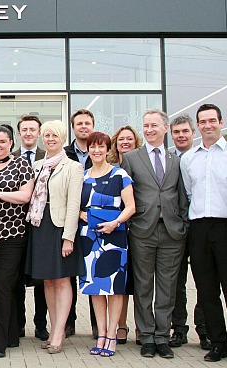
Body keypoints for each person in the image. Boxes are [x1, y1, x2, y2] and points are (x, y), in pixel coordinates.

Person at [180, 103, 227, 366]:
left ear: (220, 122)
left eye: (212, 120)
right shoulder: (188, 159)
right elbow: (189, 194)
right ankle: (219, 344)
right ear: (198, 125)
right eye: (203, 121)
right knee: (206, 291)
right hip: (199, 229)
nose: (208, 125)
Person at [121, 109, 188, 359]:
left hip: (172, 232)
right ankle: (146, 336)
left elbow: (181, 195)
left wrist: (183, 226)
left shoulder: (176, 160)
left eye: (154, 125)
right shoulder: (131, 158)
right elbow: (125, 196)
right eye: (146, 126)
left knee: (167, 287)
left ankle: (163, 337)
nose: (149, 130)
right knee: (143, 285)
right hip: (142, 231)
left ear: (165, 128)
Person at [26, 120, 84, 355]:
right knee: (47, 280)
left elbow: (74, 204)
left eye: (55, 135)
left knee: (62, 280)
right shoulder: (37, 165)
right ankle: (52, 330)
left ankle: (60, 332)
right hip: (39, 226)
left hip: (60, 227)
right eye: (46, 135)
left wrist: (69, 237)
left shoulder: (73, 167)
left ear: (62, 138)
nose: (50, 139)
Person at [0, 125, 34, 357]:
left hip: (12, 236)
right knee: (6, 287)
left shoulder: (22, 164)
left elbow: (25, 196)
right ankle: (11, 335)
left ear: (11, 143)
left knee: (1, 287)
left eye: (2, 141)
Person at [79, 131, 135, 357]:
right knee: (95, 287)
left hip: (114, 236)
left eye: (101, 146)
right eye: (93, 146)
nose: (97, 150)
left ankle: (112, 334)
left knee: (114, 289)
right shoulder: (82, 176)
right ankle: (100, 333)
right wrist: (80, 215)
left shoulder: (119, 174)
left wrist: (115, 222)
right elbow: (76, 205)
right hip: (90, 239)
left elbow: (131, 206)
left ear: (107, 149)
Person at [168, 114, 210, 350]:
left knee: (205, 281)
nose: (181, 136)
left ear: (192, 133)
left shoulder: (200, 158)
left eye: (185, 131)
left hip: (200, 226)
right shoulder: (170, 160)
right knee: (176, 283)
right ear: (171, 135)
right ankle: (179, 329)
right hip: (176, 230)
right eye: (176, 132)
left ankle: (205, 330)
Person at [12, 115, 49, 342]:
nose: (28, 133)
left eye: (32, 129)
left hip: (42, 227)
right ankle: (18, 324)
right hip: (16, 226)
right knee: (15, 278)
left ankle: (41, 324)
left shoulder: (49, 157)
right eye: (24, 129)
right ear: (19, 133)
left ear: (39, 133)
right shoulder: (10, 157)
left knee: (41, 280)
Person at [106, 125, 142, 345]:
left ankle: (141, 326)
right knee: (120, 281)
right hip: (113, 231)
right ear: (115, 143)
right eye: (121, 139)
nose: (125, 142)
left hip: (137, 228)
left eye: (130, 139)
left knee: (137, 282)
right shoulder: (110, 167)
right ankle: (120, 325)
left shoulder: (141, 163)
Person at [63, 109, 95, 338]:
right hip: (70, 221)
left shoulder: (102, 150)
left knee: (96, 273)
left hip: (96, 223)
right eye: (79, 123)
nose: (83, 126)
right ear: (73, 128)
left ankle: (97, 324)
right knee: (69, 274)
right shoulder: (64, 154)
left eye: (87, 123)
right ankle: (69, 322)